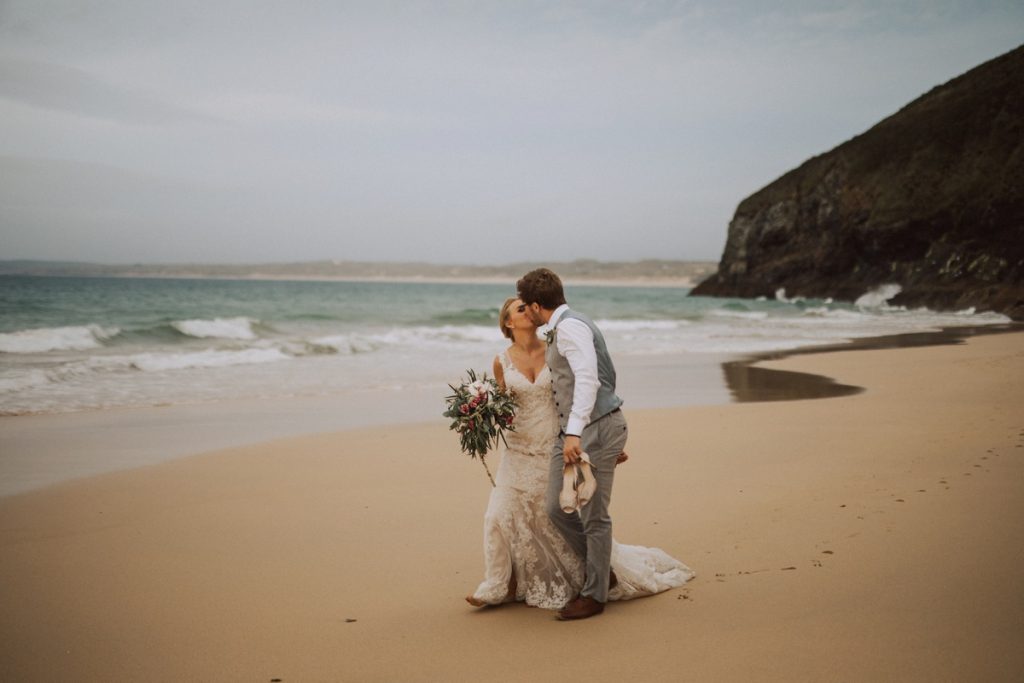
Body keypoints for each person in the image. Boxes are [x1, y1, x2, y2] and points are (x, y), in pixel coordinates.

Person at [466, 295, 693, 614]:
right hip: (517, 449)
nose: (528, 311)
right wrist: (478, 414)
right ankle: (498, 584)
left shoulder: (555, 349)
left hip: (555, 444)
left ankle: (595, 573)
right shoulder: (500, 361)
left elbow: (584, 393)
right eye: (520, 309)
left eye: (529, 306)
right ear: (508, 322)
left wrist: (602, 441)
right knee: (499, 513)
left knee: (553, 514)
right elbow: (504, 409)